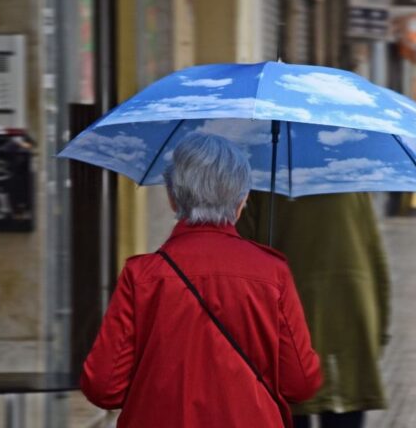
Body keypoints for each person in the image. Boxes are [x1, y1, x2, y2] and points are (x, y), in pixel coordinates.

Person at [80, 133, 323, 428]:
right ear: (242, 200)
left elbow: (103, 386)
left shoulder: (141, 276)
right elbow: (300, 383)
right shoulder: (272, 273)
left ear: (172, 198)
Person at [237, 193, 390, 428]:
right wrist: (380, 330)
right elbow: (377, 260)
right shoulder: (354, 185)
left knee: (290, 406)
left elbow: (243, 258)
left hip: (287, 329)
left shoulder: (263, 187)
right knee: (344, 406)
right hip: (351, 323)